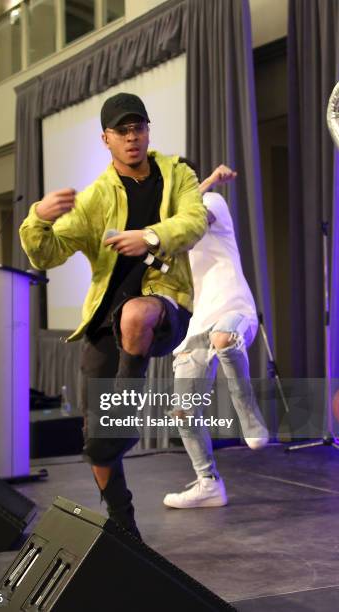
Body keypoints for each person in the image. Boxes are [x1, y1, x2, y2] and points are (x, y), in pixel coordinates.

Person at [19, 93, 206, 537]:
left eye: (138, 127)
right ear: (106, 139)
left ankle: (126, 412)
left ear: (147, 131)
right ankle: (124, 527)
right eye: (122, 131)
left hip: (163, 306)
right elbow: (47, 254)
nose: (132, 137)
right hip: (104, 323)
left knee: (136, 314)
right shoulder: (96, 198)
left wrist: (150, 237)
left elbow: (195, 221)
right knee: (97, 443)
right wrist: (37, 219)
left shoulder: (177, 173)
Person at [163, 163, 269, 510]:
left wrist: (207, 181)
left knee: (225, 338)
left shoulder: (213, 201)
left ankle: (247, 410)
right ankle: (208, 482)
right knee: (182, 411)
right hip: (198, 323)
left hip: (234, 309)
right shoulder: (171, 222)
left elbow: (191, 226)